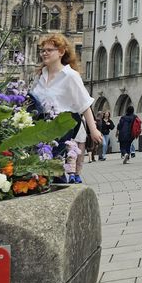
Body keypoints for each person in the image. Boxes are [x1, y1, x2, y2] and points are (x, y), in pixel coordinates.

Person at [31, 33, 100, 184]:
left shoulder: (70, 75)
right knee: (41, 165)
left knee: (54, 163)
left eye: (49, 50)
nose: (44, 53)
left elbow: (84, 104)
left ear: (61, 52)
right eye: (42, 50)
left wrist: (93, 130)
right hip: (40, 128)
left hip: (61, 127)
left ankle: (59, 191)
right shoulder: (40, 75)